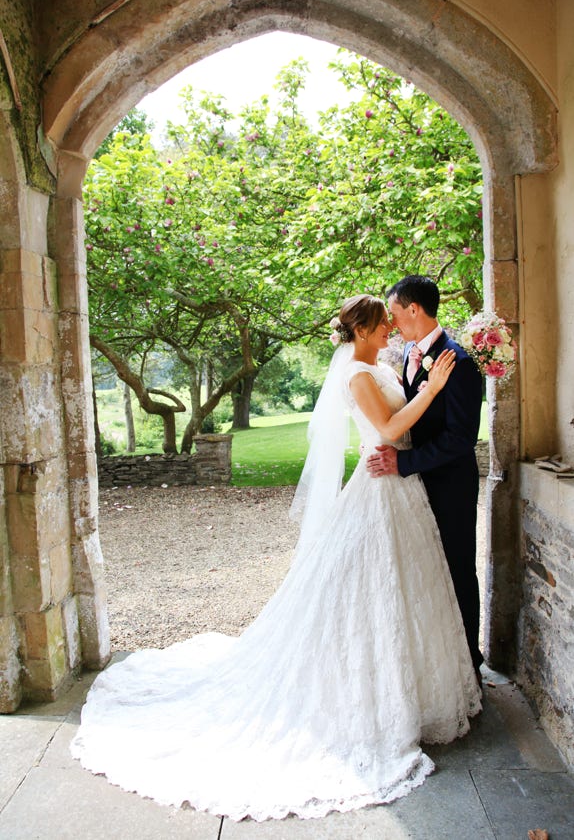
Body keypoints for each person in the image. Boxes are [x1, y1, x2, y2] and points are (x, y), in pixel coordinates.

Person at [71, 294, 481, 823]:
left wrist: (426, 388)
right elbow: (384, 430)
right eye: (382, 325)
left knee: (407, 589)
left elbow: (410, 423)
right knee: (369, 587)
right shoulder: (357, 375)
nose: (390, 331)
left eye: (390, 323)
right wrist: (432, 388)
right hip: (381, 489)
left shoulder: (381, 363)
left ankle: (416, 686)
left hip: (404, 490)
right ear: (362, 332)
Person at [366, 276, 484, 681]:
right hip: (417, 487)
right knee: (428, 572)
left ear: (413, 309)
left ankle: (471, 665)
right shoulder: (411, 356)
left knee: (457, 571)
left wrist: (403, 463)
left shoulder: (459, 362)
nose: (392, 322)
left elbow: (460, 438)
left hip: (450, 485)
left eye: (395, 313)